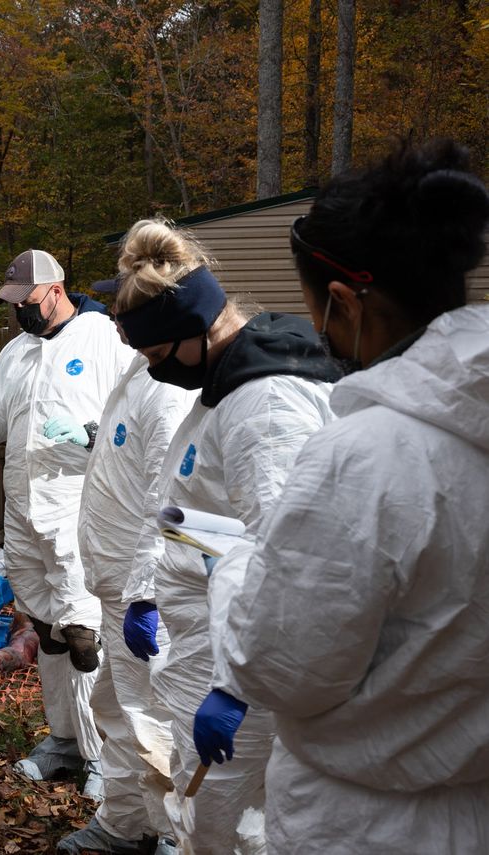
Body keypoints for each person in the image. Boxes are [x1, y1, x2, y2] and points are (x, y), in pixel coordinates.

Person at [202, 140, 489, 853]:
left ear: (342, 301)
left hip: (365, 822)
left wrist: (237, 566)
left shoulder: (364, 458)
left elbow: (283, 666)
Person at [112, 221, 339, 853]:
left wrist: (237, 688)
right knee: (208, 810)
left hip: (239, 662)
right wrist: (143, 590)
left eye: (157, 357)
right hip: (208, 643)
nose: (155, 372)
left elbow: (291, 558)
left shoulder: (265, 409)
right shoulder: (224, 388)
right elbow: (180, 508)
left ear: (192, 330)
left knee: (232, 824)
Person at [0, 250, 132, 799]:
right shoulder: (16, 350)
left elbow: (135, 417)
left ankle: (103, 754)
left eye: (25, 302)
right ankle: (63, 739)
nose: (19, 313)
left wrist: (90, 432)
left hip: (80, 507)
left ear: (55, 290)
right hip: (25, 512)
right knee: (48, 633)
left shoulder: (103, 338)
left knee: (84, 634)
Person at [58, 277, 196, 855]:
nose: (115, 318)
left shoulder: (168, 388)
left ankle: (168, 834)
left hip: (145, 593)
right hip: (116, 585)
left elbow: (171, 501)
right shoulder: (140, 369)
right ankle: (123, 824)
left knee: (155, 717)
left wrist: (144, 592)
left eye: (126, 309)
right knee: (116, 707)